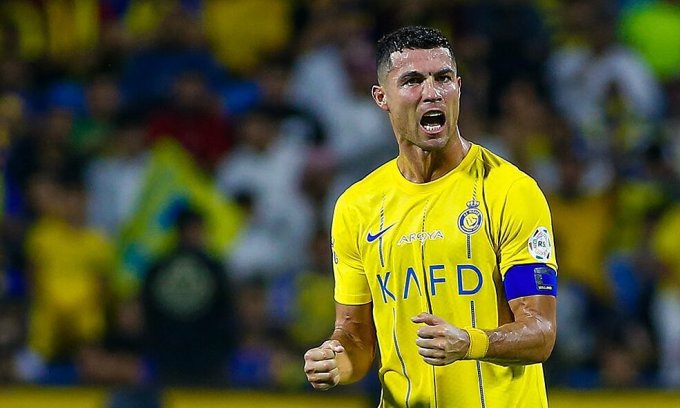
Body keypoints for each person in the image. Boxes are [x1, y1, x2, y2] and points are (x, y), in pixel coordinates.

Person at [303, 26, 558, 407]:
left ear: (458, 86)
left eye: (443, 78)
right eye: (412, 80)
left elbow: (541, 332)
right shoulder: (356, 206)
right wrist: (336, 361)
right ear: (381, 97)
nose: (431, 92)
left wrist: (470, 343)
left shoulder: (510, 191)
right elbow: (355, 338)